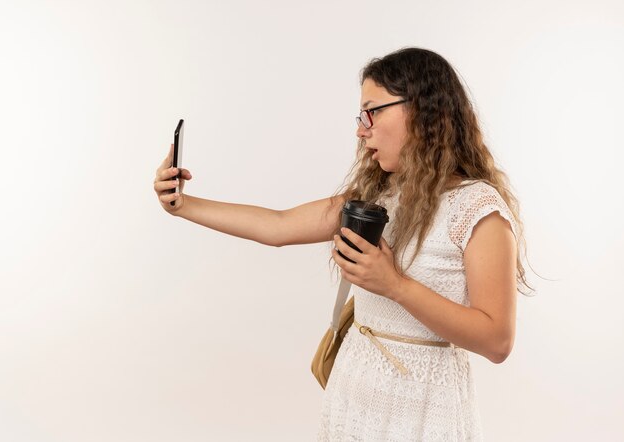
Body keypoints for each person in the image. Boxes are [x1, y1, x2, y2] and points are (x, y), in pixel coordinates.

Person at [153, 47, 533, 441]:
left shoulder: (477, 209)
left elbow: (497, 340)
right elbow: (278, 226)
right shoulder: (379, 194)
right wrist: (181, 205)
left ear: (422, 109)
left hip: (423, 408)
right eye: (360, 115)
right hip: (355, 393)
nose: (361, 128)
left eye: (373, 111)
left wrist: (395, 286)